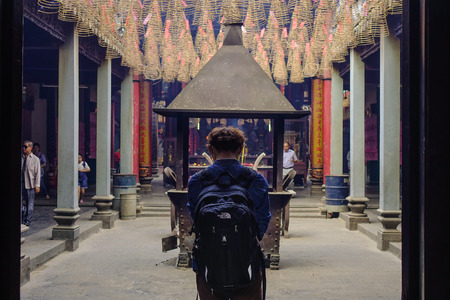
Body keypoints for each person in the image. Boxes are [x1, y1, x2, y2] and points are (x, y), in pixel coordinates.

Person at [187, 126, 271, 300]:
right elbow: (263, 219)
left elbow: (195, 217)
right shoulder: (255, 179)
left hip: (207, 265)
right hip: (247, 263)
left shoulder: (197, 181)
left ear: (211, 149)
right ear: (240, 149)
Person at [21, 140, 41, 226]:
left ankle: (28, 220)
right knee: (21, 202)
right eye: (23, 147)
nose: (24, 149)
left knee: (30, 203)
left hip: (30, 184)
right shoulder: (21, 158)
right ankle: (23, 215)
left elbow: (38, 173)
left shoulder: (35, 159)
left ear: (30, 147)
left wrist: (37, 185)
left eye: (25, 147)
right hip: (21, 184)